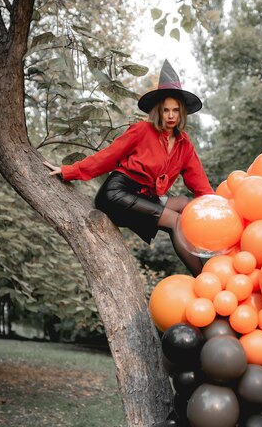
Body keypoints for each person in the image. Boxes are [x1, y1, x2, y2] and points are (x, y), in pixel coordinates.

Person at [44, 60, 214, 276]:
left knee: (186, 205)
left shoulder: (184, 144)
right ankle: (205, 280)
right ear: (158, 111)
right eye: (166, 110)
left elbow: (201, 185)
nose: (171, 116)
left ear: (182, 113)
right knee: (176, 221)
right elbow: (107, 157)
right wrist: (70, 171)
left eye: (175, 111)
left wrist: (217, 208)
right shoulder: (142, 130)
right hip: (117, 194)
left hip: (144, 197)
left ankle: (213, 268)